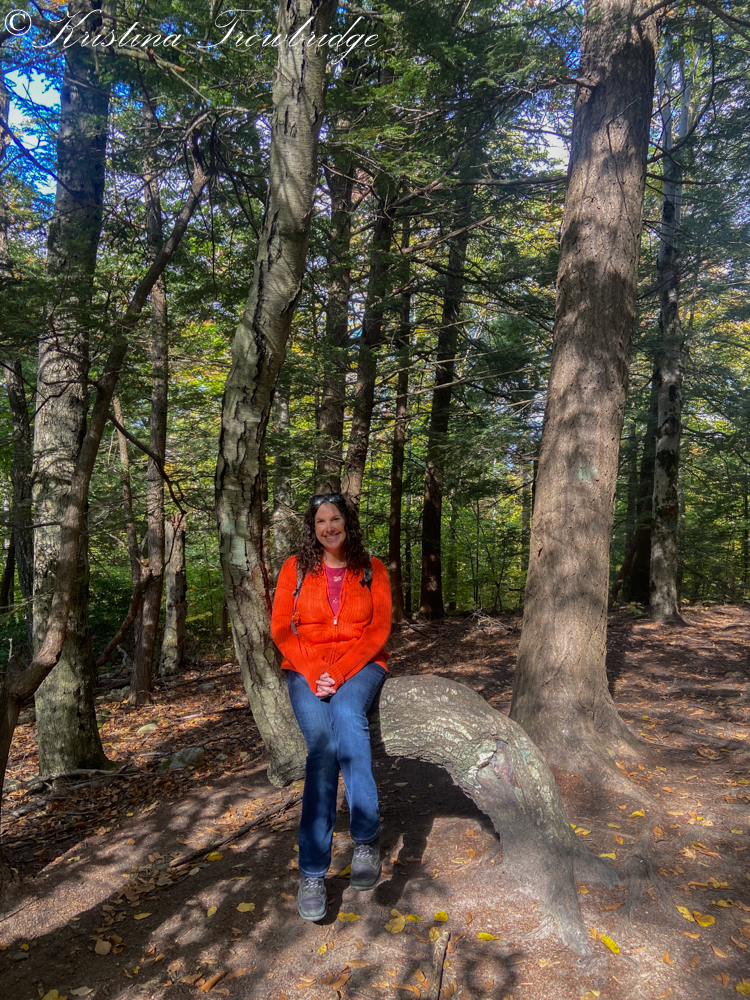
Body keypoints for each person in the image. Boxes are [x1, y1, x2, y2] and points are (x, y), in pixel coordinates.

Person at [271, 492, 392, 921]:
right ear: (313, 528)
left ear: (347, 522)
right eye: (321, 521)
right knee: (322, 750)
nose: (329, 528)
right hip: (306, 667)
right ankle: (312, 873)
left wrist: (338, 673)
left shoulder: (372, 568)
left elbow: (378, 630)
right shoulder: (294, 568)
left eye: (335, 519)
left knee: (346, 715)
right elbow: (281, 629)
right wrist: (314, 670)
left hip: (361, 665)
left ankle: (366, 840)